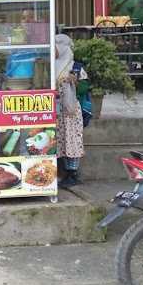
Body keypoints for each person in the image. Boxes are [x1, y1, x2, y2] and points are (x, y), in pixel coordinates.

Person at [55, 33, 85, 187]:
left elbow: (85, 88)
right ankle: (62, 173)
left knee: (71, 140)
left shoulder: (75, 67)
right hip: (56, 111)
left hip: (71, 112)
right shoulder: (51, 65)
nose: (54, 50)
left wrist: (75, 82)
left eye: (57, 47)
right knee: (59, 141)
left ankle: (72, 175)